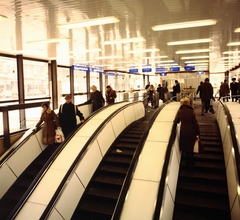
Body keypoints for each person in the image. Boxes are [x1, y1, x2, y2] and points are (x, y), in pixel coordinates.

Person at [174, 97, 200, 165]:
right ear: (188, 103)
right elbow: (195, 123)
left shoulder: (180, 112)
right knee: (191, 146)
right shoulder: (192, 111)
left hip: (183, 130)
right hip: (192, 131)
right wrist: (198, 132)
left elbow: (176, 121)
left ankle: (186, 160)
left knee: (185, 145)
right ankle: (192, 160)